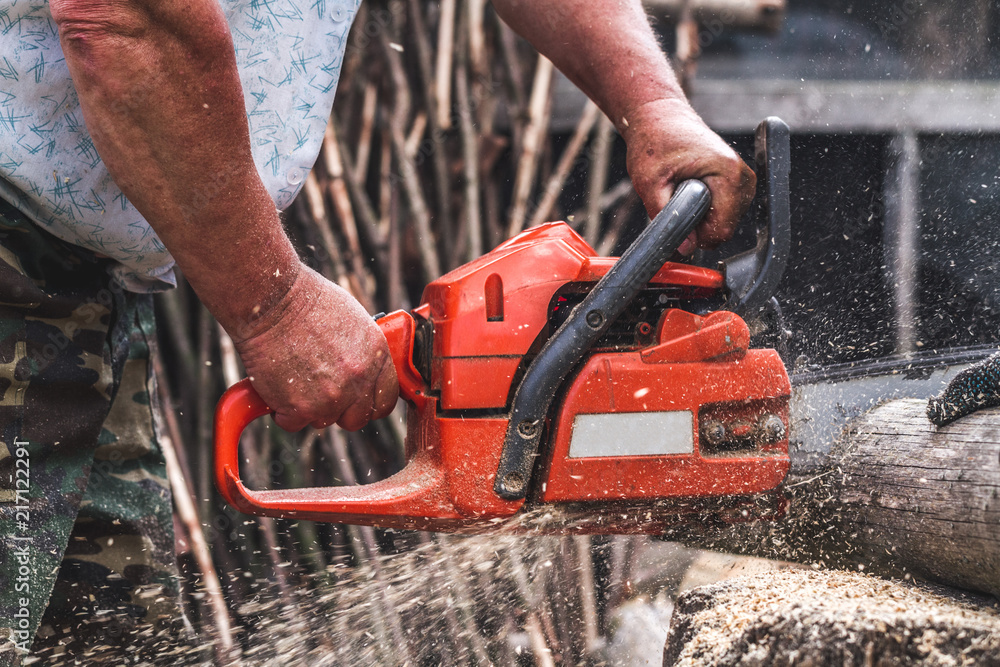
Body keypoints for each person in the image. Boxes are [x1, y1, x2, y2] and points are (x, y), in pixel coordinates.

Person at [0, 0, 755, 661]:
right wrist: (275, 305)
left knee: (103, 641)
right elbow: (124, 16)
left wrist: (650, 103)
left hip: (80, 281)